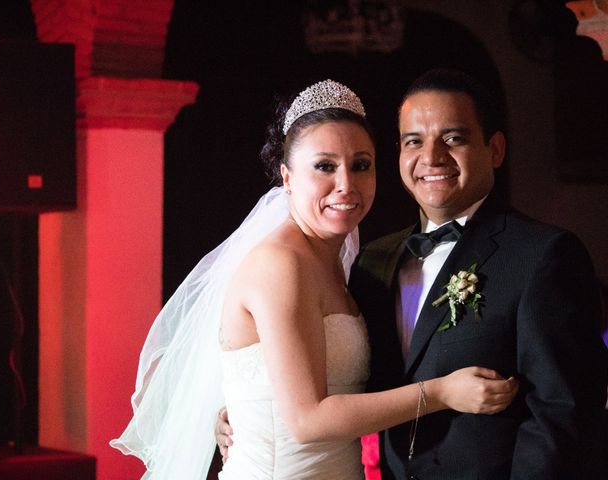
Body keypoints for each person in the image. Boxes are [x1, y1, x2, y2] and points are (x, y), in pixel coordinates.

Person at [112, 79, 518, 480]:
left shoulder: (348, 264)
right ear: (287, 177)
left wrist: (246, 405)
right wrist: (442, 392)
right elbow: (307, 419)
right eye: (324, 166)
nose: (346, 184)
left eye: (361, 165)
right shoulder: (279, 263)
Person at [348, 68, 608, 479]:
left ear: (496, 150)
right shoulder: (374, 260)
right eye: (413, 141)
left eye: (454, 138)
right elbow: (345, 379)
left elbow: (563, 416)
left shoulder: (543, 255)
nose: (431, 157)